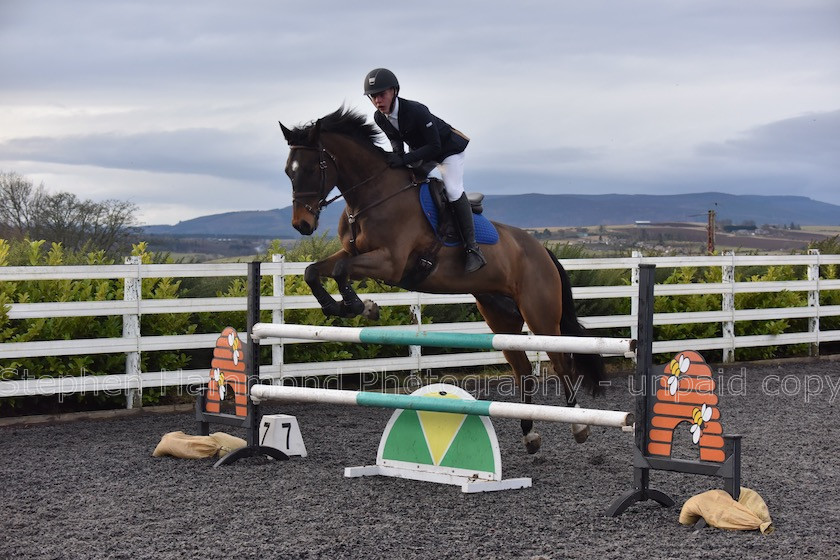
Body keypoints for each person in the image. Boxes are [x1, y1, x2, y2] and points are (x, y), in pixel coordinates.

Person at [363, 68, 486, 273]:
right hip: (422, 153)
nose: (377, 101)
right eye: (373, 97)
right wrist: (397, 158)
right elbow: (396, 141)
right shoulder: (380, 117)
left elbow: (435, 147)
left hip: (447, 150)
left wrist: (404, 159)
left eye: (381, 94)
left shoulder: (416, 110)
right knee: (406, 181)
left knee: (453, 190)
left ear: (394, 91)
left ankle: (473, 249)